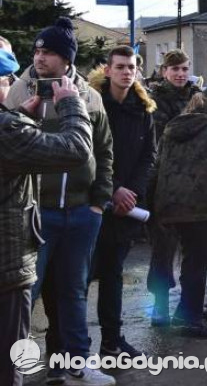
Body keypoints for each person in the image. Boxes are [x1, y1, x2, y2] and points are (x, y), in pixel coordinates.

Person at [3, 18, 115, 386]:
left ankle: (72, 365)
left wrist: (98, 202)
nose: (39, 58)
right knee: (23, 297)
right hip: (36, 213)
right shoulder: (20, 91)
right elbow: (56, 147)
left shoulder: (90, 96)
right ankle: (16, 368)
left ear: (67, 59)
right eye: (36, 51)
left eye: (48, 52)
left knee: (73, 293)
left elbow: (103, 150)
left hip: (81, 212)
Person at [1, 75, 93, 386]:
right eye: (6, 79)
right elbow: (76, 149)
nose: (12, 86)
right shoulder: (7, 131)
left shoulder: (9, 127)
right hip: (6, 268)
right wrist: (71, 104)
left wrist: (19, 118)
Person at [147, 50, 207, 328]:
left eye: (184, 69)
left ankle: (189, 306)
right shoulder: (153, 101)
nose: (180, 74)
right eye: (174, 69)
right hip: (166, 180)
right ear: (164, 71)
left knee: (195, 253)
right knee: (163, 250)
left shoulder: (197, 95)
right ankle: (159, 307)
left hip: (199, 185)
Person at [89, 46, 156, 359]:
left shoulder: (143, 110)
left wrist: (131, 193)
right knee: (78, 278)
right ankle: (63, 346)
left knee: (113, 274)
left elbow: (148, 156)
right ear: (108, 70)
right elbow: (86, 154)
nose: (126, 72)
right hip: (92, 204)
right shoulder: (92, 105)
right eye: (120, 67)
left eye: (131, 67)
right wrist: (113, 190)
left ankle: (111, 341)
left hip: (126, 207)